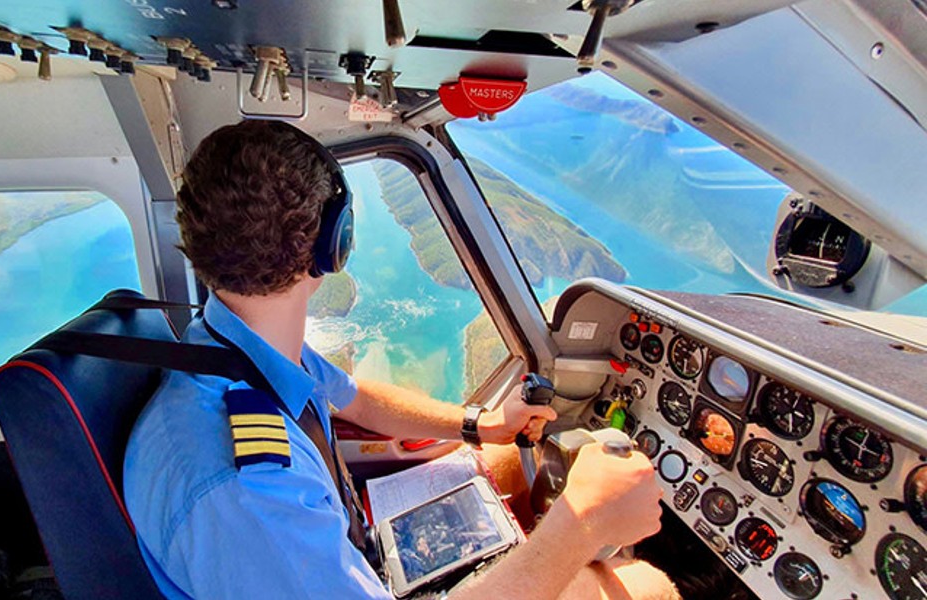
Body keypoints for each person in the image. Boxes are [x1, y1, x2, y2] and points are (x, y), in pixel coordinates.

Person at [123, 120, 675, 599]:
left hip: (344, 552)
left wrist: (480, 426)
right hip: (341, 567)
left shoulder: (231, 350)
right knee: (636, 584)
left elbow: (357, 399)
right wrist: (580, 525)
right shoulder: (248, 493)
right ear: (334, 243)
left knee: (508, 463)